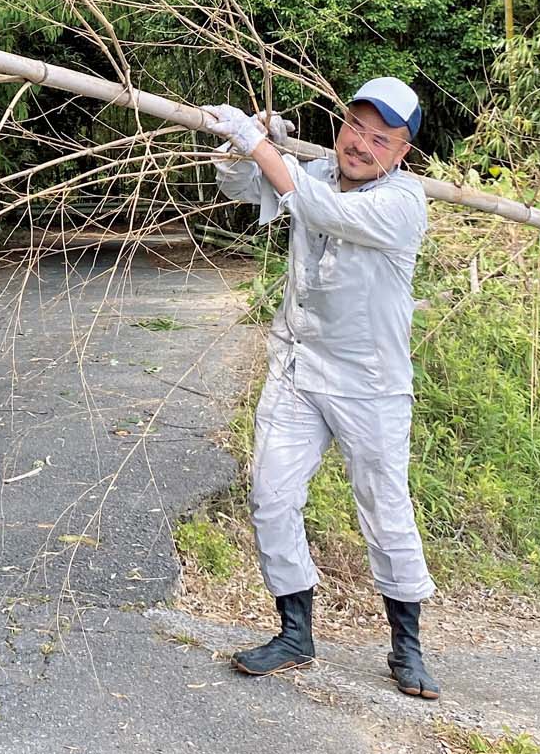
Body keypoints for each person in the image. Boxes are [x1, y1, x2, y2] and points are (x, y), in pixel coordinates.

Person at [202, 78, 441, 699]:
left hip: (371, 385)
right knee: (271, 497)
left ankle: (406, 648)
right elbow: (242, 187)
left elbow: (320, 209)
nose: (361, 144)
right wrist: (241, 147)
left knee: (386, 513)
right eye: (355, 127)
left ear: (401, 152)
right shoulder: (313, 168)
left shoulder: (403, 203)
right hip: (298, 368)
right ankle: (295, 632)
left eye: (380, 138)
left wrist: (264, 148)